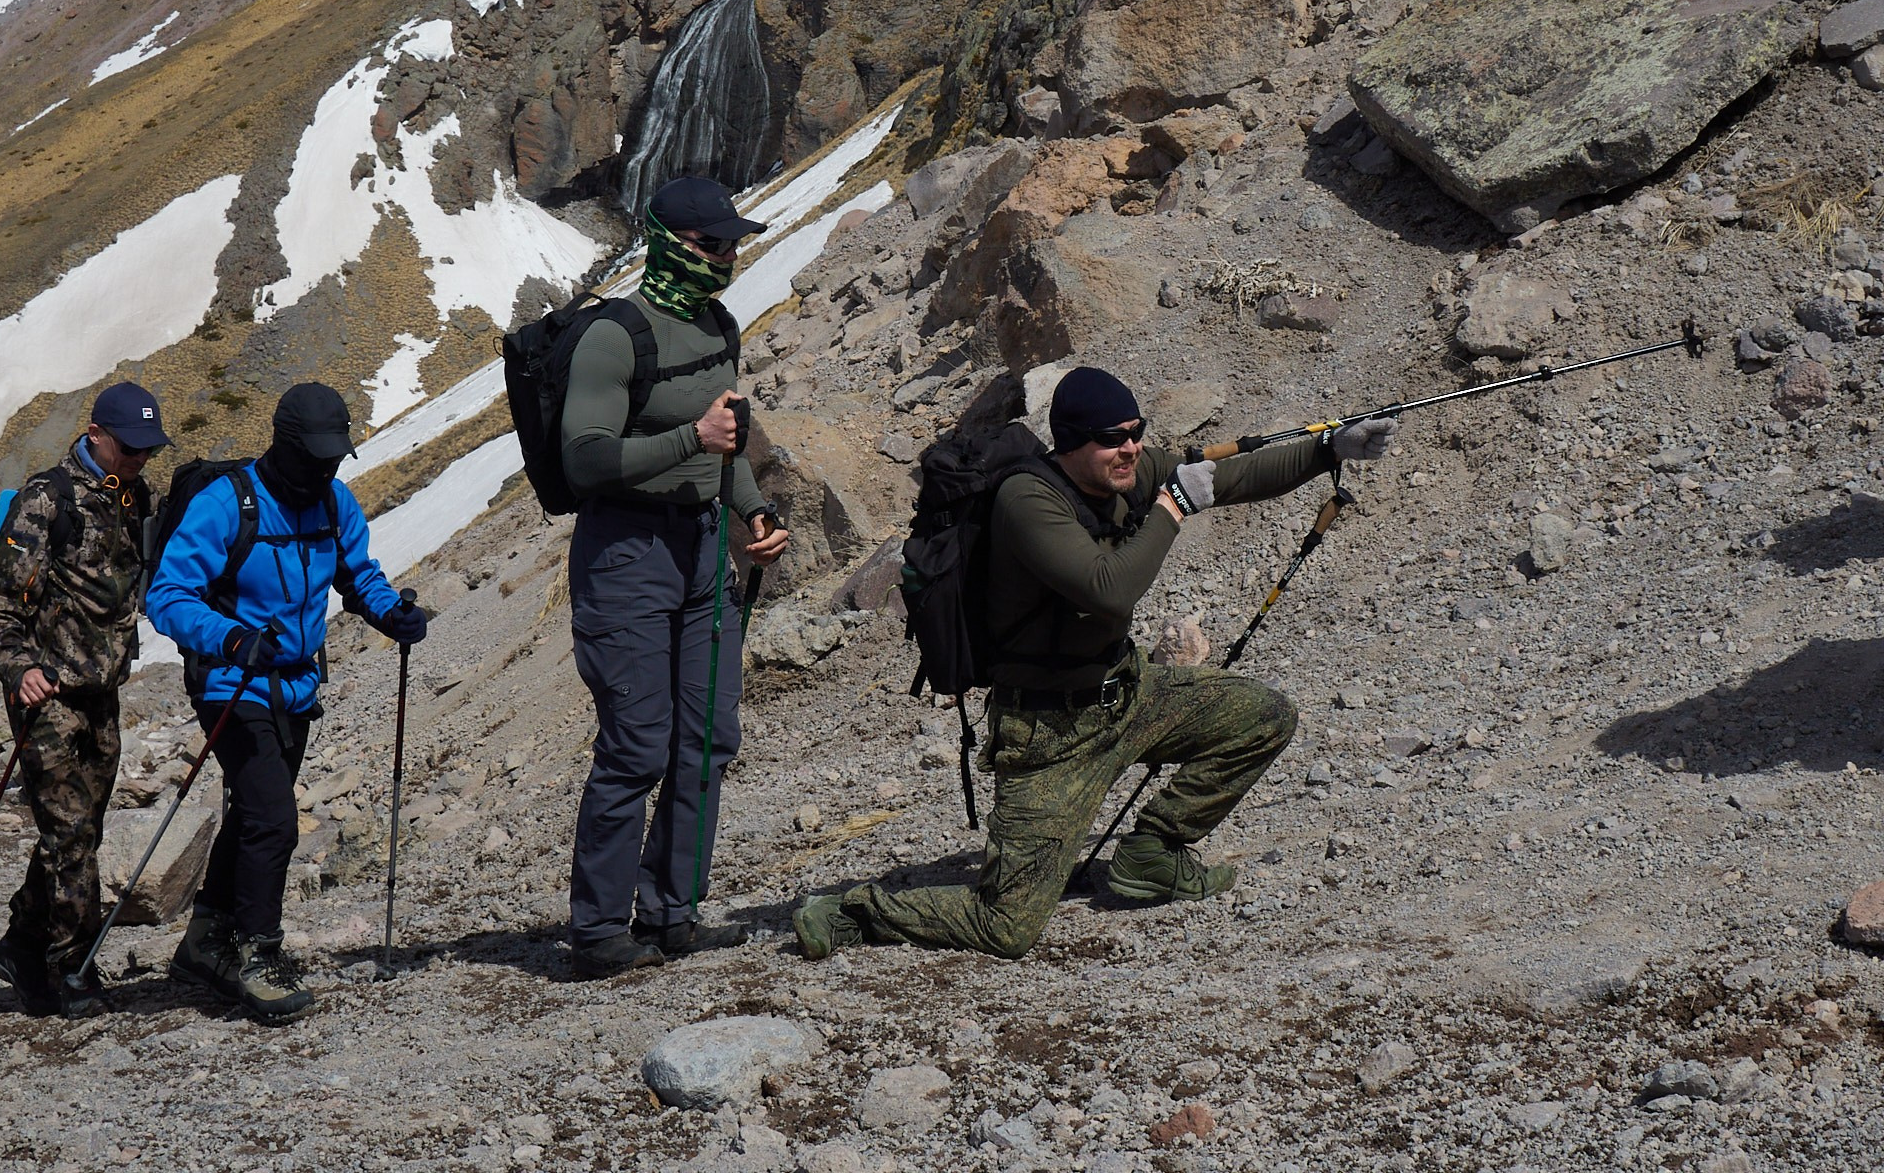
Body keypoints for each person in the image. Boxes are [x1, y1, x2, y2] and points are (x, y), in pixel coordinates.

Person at [793, 366, 1399, 961]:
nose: (1131, 448)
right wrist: (1171, 508)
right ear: (1073, 441)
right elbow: (1108, 588)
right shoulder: (1027, 500)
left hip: (1125, 696)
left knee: (1263, 715)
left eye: (1135, 432)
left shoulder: (1125, 474)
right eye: (1113, 438)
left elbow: (1230, 476)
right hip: (1048, 734)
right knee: (1006, 926)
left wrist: (1327, 448)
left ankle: (1155, 853)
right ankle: (853, 911)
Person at [559, 174, 791, 979]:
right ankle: (597, 932)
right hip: (625, 555)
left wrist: (752, 518)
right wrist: (689, 439)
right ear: (668, 243)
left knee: (708, 740)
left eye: (733, 245)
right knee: (637, 745)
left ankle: (673, 914)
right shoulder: (614, 336)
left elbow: (728, 443)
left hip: (701, 553)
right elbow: (584, 456)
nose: (726, 258)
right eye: (712, 245)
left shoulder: (718, 325)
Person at [146, 381, 424, 1022]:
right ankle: (258, 955)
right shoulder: (228, 504)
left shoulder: (334, 502)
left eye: (334, 457)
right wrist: (232, 637)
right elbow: (168, 595)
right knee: (274, 817)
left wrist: (393, 614)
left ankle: (205, 940)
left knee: (252, 813)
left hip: (296, 685)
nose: (325, 468)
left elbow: (359, 576)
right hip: (229, 683)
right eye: (317, 456)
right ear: (284, 444)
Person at [0, 384, 170, 1015]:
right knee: (69, 833)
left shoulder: (135, 497)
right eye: (130, 447)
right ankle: (69, 968)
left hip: (101, 691)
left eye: (148, 449)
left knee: (85, 825)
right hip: (47, 693)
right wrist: (20, 670)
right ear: (94, 434)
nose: (141, 458)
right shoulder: (45, 500)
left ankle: (21, 946)